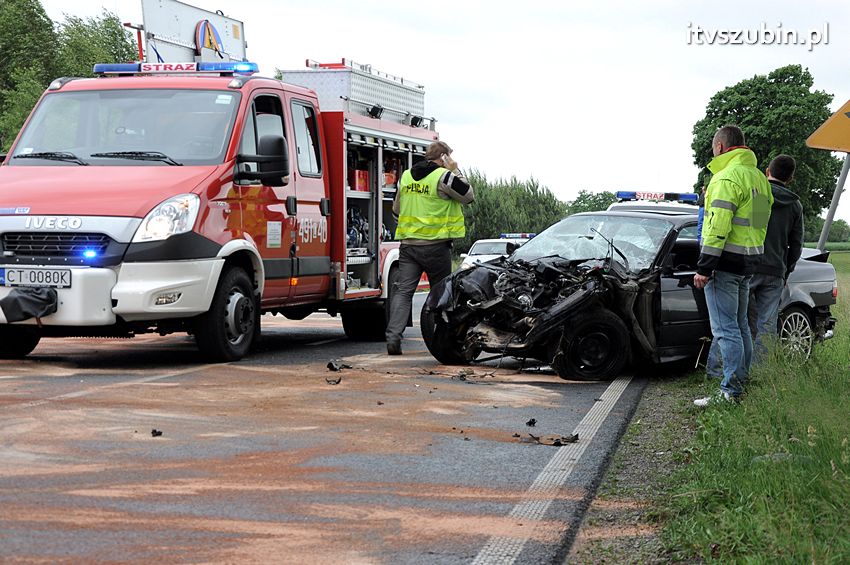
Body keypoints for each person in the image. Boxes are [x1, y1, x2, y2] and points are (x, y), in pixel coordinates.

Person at [693, 125, 773, 406]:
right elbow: (760, 225)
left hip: (724, 264)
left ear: (720, 147)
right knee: (740, 327)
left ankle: (730, 391)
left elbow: (717, 227)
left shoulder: (725, 178)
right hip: (749, 263)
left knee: (726, 330)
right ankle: (739, 384)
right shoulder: (759, 179)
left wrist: (704, 267)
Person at [385, 141, 474, 355]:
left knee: (403, 292)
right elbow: (468, 195)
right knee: (442, 294)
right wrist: (455, 169)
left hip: (408, 246)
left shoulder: (406, 176)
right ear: (443, 157)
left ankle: (393, 338)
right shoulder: (443, 176)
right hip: (435, 246)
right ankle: (440, 340)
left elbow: (396, 208)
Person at [748, 154, 803, 357]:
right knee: (767, 324)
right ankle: (761, 375)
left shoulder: (761, 196)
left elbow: (756, 231)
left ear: (767, 172)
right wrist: (787, 269)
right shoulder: (795, 205)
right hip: (776, 271)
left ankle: (738, 370)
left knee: (741, 321)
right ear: (790, 179)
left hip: (751, 266)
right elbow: (796, 244)